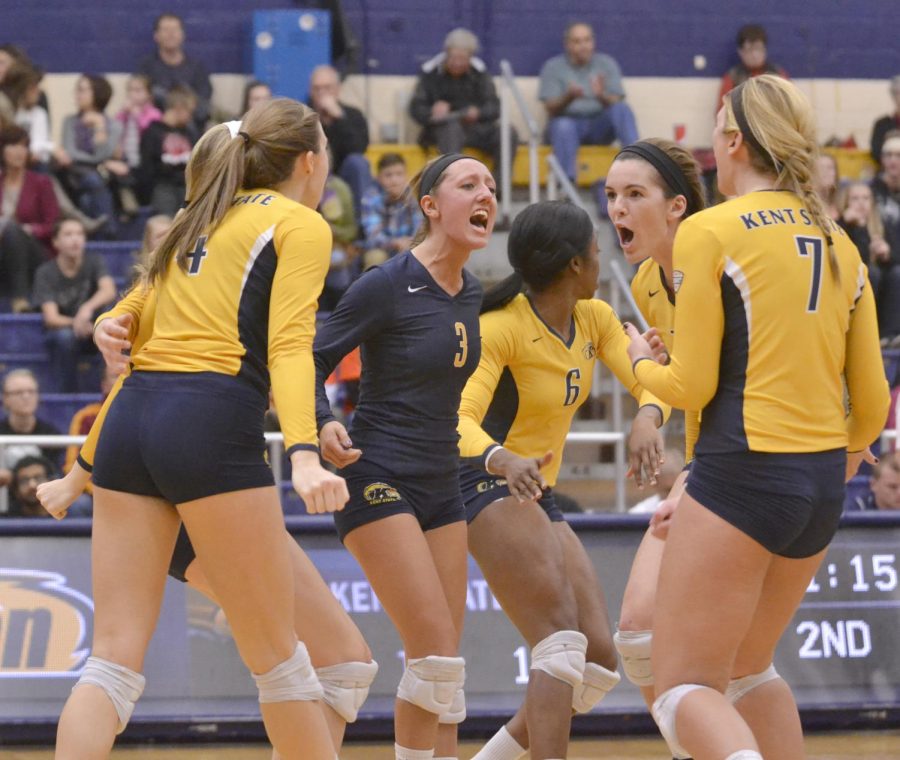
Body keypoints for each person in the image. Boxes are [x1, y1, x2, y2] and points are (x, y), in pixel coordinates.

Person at [40, 120, 376, 756]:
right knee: (280, 661)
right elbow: (289, 347)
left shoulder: (196, 221)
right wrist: (302, 455)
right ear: (309, 160)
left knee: (110, 664)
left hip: (135, 423)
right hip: (209, 425)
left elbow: (132, 328)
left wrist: (80, 472)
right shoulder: (298, 222)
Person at [624, 74, 889, 759]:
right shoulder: (841, 241)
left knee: (684, 687)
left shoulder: (710, 230)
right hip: (823, 486)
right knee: (746, 669)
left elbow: (689, 383)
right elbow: (873, 402)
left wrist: (632, 362)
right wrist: (833, 468)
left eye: (716, 123)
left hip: (742, 472)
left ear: (734, 140)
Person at [457, 200, 671, 760]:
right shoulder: (499, 329)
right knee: (559, 643)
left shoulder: (595, 318)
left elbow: (652, 381)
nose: (603, 259)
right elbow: (456, 422)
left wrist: (648, 418)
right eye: (597, 251)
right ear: (576, 264)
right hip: (481, 480)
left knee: (597, 660)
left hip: (535, 489)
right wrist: (502, 457)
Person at [313, 153, 495, 760]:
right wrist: (321, 421)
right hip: (376, 474)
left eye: (491, 187)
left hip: (445, 483)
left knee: (445, 672)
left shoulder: (471, 291)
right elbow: (307, 359)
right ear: (430, 206)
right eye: (469, 185)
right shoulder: (386, 283)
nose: (486, 195)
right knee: (435, 650)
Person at [410, 29, 516, 185]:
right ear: (446, 53)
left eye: (462, 58)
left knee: (508, 132)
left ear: (470, 57)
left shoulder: (480, 73)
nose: (457, 62)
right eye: (453, 57)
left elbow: (494, 106)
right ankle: (456, 183)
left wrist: (479, 113)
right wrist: (432, 111)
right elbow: (416, 108)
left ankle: (497, 187)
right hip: (442, 130)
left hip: (475, 128)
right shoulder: (430, 73)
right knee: (451, 128)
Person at [538, 21, 639, 183]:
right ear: (568, 45)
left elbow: (616, 99)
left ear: (593, 42)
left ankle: (638, 165)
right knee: (562, 125)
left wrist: (601, 96)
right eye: (577, 41)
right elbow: (550, 108)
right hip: (567, 125)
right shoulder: (553, 67)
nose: (583, 46)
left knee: (622, 109)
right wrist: (568, 97)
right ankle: (567, 186)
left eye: (587, 40)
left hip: (598, 125)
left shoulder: (606, 63)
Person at [32, 216, 116, 392]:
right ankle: (67, 395)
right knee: (65, 337)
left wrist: (87, 308)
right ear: (55, 242)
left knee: (110, 329)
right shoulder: (45, 272)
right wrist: (77, 323)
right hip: (65, 331)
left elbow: (109, 290)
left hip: (93, 327)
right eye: (68, 234)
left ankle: (111, 390)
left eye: (79, 234)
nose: (75, 239)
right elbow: (51, 318)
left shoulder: (94, 262)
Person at [0, 123, 59, 312]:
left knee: (11, 230)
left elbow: (53, 225)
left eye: (24, 146)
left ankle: (20, 299)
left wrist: (30, 230)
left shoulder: (41, 182)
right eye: (13, 145)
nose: (19, 151)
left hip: (37, 252)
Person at [58, 74, 122, 235]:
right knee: (92, 179)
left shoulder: (113, 126)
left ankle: (100, 234)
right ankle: (110, 231)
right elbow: (71, 153)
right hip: (73, 175)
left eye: (82, 90)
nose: (77, 95)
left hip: (104, 179)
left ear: (97, 92)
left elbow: (104, 153)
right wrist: (99, 161)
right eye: (77, 90)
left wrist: (100, 127)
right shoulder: (70, 121)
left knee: (87, 201)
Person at [838, 181, 900, 343]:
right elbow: (858, 260)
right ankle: (864, 333)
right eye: (855, 198)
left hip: (881, 289)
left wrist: (886, 254)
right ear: (846, 202)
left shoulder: (882, 224)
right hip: (848, 282)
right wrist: (858, 227)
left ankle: (889, 335)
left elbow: (896, 257)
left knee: (896, 274)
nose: (861, 203)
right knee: (872, 273)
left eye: (866, 198)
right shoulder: (840, 225)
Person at [308, 65, 371, 215]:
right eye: (317, 89)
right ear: (311, 92)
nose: (322, 93)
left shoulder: (353, 115)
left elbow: (359, 149)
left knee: (358, 163)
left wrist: (339, 117)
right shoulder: (304, 115)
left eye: (327, 88)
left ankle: (364, 224)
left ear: (337, 89)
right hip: (312, 171)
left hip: (343, 173)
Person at [137, 12, 211, 133]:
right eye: (165, 30)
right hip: (156, 131)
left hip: (192, 129)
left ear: (182, 34)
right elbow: (141, 98)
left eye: (175, 30)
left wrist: (183, 112)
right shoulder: (146, 67)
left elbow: (204, 99)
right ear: (156, 35)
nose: (170, 34)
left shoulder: (197, 67)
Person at [138, 85, 196, 216]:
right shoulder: (152, 132)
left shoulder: (190, 133)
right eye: (190, 112)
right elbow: (146, 168)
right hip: (162, 187)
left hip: (186, 188)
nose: (190, 117)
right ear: (179, 108)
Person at [0, 368, 61, 489]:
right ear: (5, 398)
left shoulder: (51, 435)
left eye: (31, 391)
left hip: (40, 500)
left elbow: (54, 476)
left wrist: (13, 477)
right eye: (18, 392)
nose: (26, 396)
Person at [359, 152, 421, 270]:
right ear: (379, 178)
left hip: (410, 246)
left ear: (406, 176)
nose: (394, 180)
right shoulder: (370, 198)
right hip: (382, 248)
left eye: (399, 174)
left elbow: (421, 229)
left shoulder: (414, 196)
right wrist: (395, 242)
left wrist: (410, 243)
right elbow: (373, 235)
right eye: (388, 175)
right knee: (375, 258)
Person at [717, 24, 788, 109]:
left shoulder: (778, 75)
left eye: (758, 48)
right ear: (740, 52)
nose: (755, 55)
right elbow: (723, 112)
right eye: (749, 49)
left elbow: (791, 106)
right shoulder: (733, 78)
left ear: (765, 49)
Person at [872, 131, 900, 341]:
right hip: (876, 258)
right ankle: (881, 337)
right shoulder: (870, 190)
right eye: (888, 155)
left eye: (898, 155)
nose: (893, 160)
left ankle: (890, 337)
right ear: (881, 159)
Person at [870, 75, 900, 167]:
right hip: (889, 174)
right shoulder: (881, 125)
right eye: (898, 93)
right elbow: (876, 153)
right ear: (894, 96)